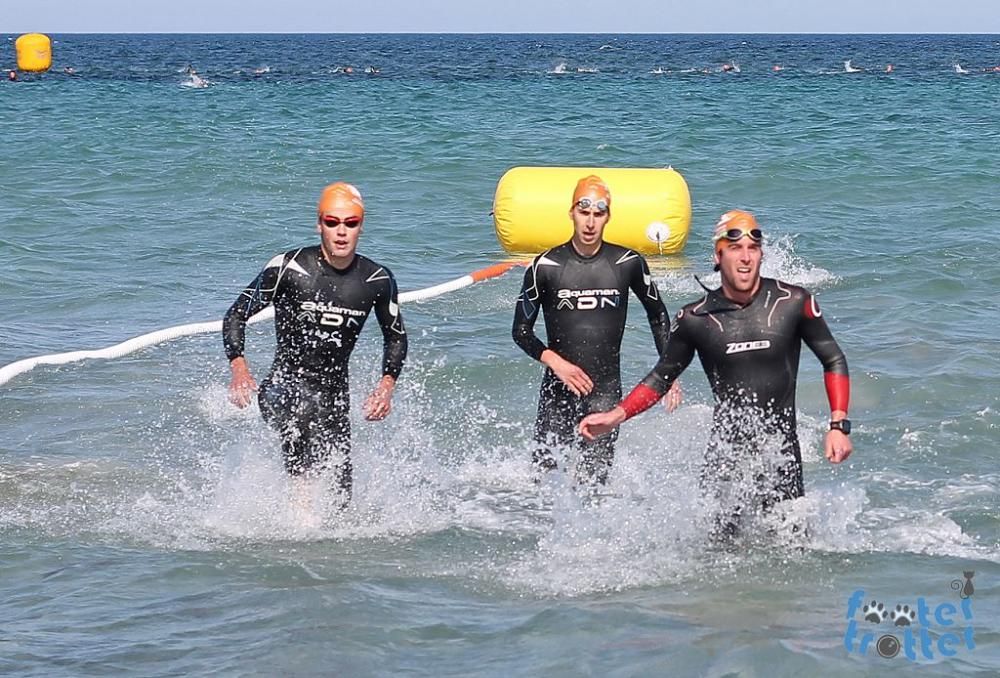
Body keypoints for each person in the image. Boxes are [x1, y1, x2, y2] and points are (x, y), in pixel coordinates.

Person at [580, 209, 852, 535]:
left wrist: (838, 425)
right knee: (718, 559)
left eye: (753, 248)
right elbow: (661, 377)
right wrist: (615, 416)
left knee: (793, 553)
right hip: (726, 458)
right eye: (736, 248)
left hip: (780, 456)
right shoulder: (696, 318)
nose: (746, 257)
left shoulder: (792, 302)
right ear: (718, 255)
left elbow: (833, 359)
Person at [223, 182, 407, 507]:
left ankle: (319, 534)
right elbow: (236, 314)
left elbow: (395, 337)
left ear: (360, 226)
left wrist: (386, 386)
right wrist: (239, 367)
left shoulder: (377, 280)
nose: (341, 232)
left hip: (334, 393)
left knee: (341, 493)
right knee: (302, 417)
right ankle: (299, 518)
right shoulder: (289, 267)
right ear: (318, 223)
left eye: (350, 224)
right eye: (332, 222)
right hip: (282, 387)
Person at [513, 175, 679, 487]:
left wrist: (668, 375)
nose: (590, 222)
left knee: (594, 486)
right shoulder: (545, 265)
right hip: (557, 392)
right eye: (583, 211)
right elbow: (521, 331)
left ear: (608, 217)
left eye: (598, 214)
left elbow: (658, 317)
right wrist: (557, 364)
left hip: (605, 391)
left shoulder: (628, 262)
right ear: (571, 212)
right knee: (542, 484)